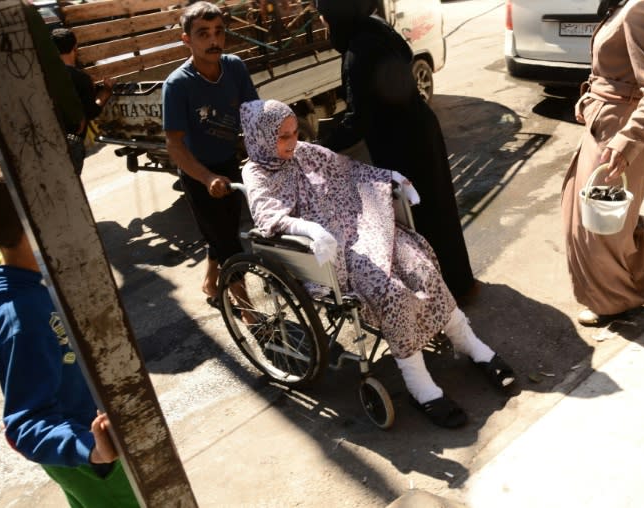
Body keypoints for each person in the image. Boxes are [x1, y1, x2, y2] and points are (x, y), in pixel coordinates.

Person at [240, 99, 518, 428]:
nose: (292, 141)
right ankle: (419, 385)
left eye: (294, 132)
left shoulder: (305, 151)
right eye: (282, 136)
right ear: (261, 137)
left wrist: (392, 177)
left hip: (363, 229)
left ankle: (467, 342)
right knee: (394, 293)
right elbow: (268, 217)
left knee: (421, 267)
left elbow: (348, 170)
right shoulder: (256, 172)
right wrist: (310, 229)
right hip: (331, 255)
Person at [0, 155, 138, 507]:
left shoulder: (38, 268)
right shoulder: (19, 317)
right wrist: (90, 449)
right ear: (32, 222)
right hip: (96, 461)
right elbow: (24, 426)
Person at [315, 0, 478, 305]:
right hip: (421, 128)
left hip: (403, 143)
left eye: (325, 17)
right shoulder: (375, 27)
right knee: (439, 207)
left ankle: (445, 296)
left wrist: (321, 147)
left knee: (420, 219)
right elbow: (404, 54)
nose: (324, 23)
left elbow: (359, 120)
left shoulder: (357, 53)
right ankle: (461, 283)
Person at [562, 0, 644, 326]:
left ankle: (614, 301)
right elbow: (615, 70)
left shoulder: (642, 7)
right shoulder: (626, 4)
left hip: (621, 130)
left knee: (602, 225)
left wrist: (627, 140)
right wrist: (591, 98)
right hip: (606, 122)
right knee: (589, 215)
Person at [163, 1, 259, 308]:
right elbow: (174, 145)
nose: (213, 40)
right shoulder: (177, 85)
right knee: (229, 242)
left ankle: (209, 282)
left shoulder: (234, 67)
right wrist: (206, 178)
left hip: (228, 164)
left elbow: (253, 115)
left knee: (224, 232)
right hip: (198, 173)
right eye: (203, 34)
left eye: (218, 32)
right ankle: (245, 308)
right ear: (187, 40)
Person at [50, 28, 116, 175]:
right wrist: (106, 92)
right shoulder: (80, 78)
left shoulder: (46, 75)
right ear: (75, 47)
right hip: (72, 141)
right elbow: (91, 111)